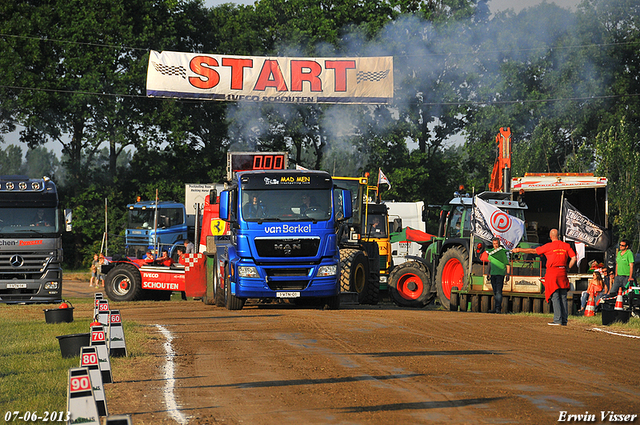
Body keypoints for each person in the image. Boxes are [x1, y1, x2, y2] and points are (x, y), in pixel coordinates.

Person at [513, 229, 576, 326]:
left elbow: (533, 251)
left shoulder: (548, 246)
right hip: (563, 272)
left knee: (555, 297)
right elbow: (574, 258)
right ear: (558, 236)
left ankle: (557, 320)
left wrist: (518, 250)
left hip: (552, 272)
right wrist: (568, 268)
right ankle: (564, 320)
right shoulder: (566, 246)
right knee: (563, 297)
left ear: (551, 236)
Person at [484, 237, 511, 314]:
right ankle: (496, 308)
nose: (495, 245)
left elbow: (507, 264)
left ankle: (498, 308)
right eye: (494, 244)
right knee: (495, 292)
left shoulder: (502, 252)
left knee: (498, 292)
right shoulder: (491, 252)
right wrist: (488, 273)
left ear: (499, 244)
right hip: (493, 274)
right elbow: (489, 263)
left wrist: (508, 274)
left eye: (496, 244)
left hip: (500, 274)